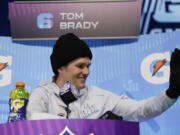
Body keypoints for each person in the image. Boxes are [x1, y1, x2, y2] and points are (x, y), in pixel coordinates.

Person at [26, 33, 180, 122]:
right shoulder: (42, 94)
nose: (86, 72)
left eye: (88, 66)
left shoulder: (99, 96)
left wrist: (172, 93)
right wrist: (89, 127)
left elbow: (140, 111)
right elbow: (33, 119)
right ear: (60, 68)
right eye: (80, 66)